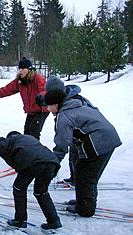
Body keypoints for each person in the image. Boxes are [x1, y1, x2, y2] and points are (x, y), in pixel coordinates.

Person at [43, 76, 122, 217]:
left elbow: (61, 146)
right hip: (108, 136)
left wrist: (52, 165)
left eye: (49, 105)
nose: (48, 109)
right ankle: (84, 200)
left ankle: (85, 208)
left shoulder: (64, 115)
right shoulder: (78, 99)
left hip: (99, 142)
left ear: (56, 101)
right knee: (85, 172)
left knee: (85, 175)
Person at [0, 131, 62, 229]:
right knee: (41, 192)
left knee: (19, 189)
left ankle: (20, 220)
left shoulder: (12, 140)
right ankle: (54, 221)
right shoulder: (28, 138)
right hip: (51, 162)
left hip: (33, 163)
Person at [0, 57, 49, 140]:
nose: (20, 71)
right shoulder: (19, 81)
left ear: (29, 69)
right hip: (31, 110)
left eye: (23, 68)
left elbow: (44, 90)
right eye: (19, 68)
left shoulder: (37, 78)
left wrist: (42, 97)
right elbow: (6, 90)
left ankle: (36, 151)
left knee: (34, 130)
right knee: (27, 132)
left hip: (42, 110)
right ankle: (27, 150)